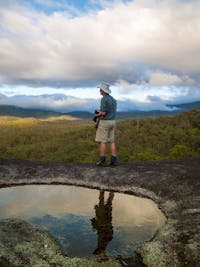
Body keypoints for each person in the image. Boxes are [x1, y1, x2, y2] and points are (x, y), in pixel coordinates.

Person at [94, 83, 117, 166]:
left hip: (105, 122)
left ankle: (102, 160)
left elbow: (103, 112)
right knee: (112, 141)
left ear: (103, 90)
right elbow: (109, 111)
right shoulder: (113, 99)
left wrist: (96, 115)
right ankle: (113, 160)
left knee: (103, 142)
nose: (99, 91)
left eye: (100, 89)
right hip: (113, 121)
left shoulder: (104, 99)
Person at [91, 190, 114, 255]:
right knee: (104, 202)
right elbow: (101, 231)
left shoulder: (101, 244)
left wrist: (94, 222)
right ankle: (105, 190)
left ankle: (108, 190)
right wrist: (94, 222)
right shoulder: (102, 244)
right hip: (103, 219)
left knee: (107, 202)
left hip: (105, 219)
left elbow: (107, 235)